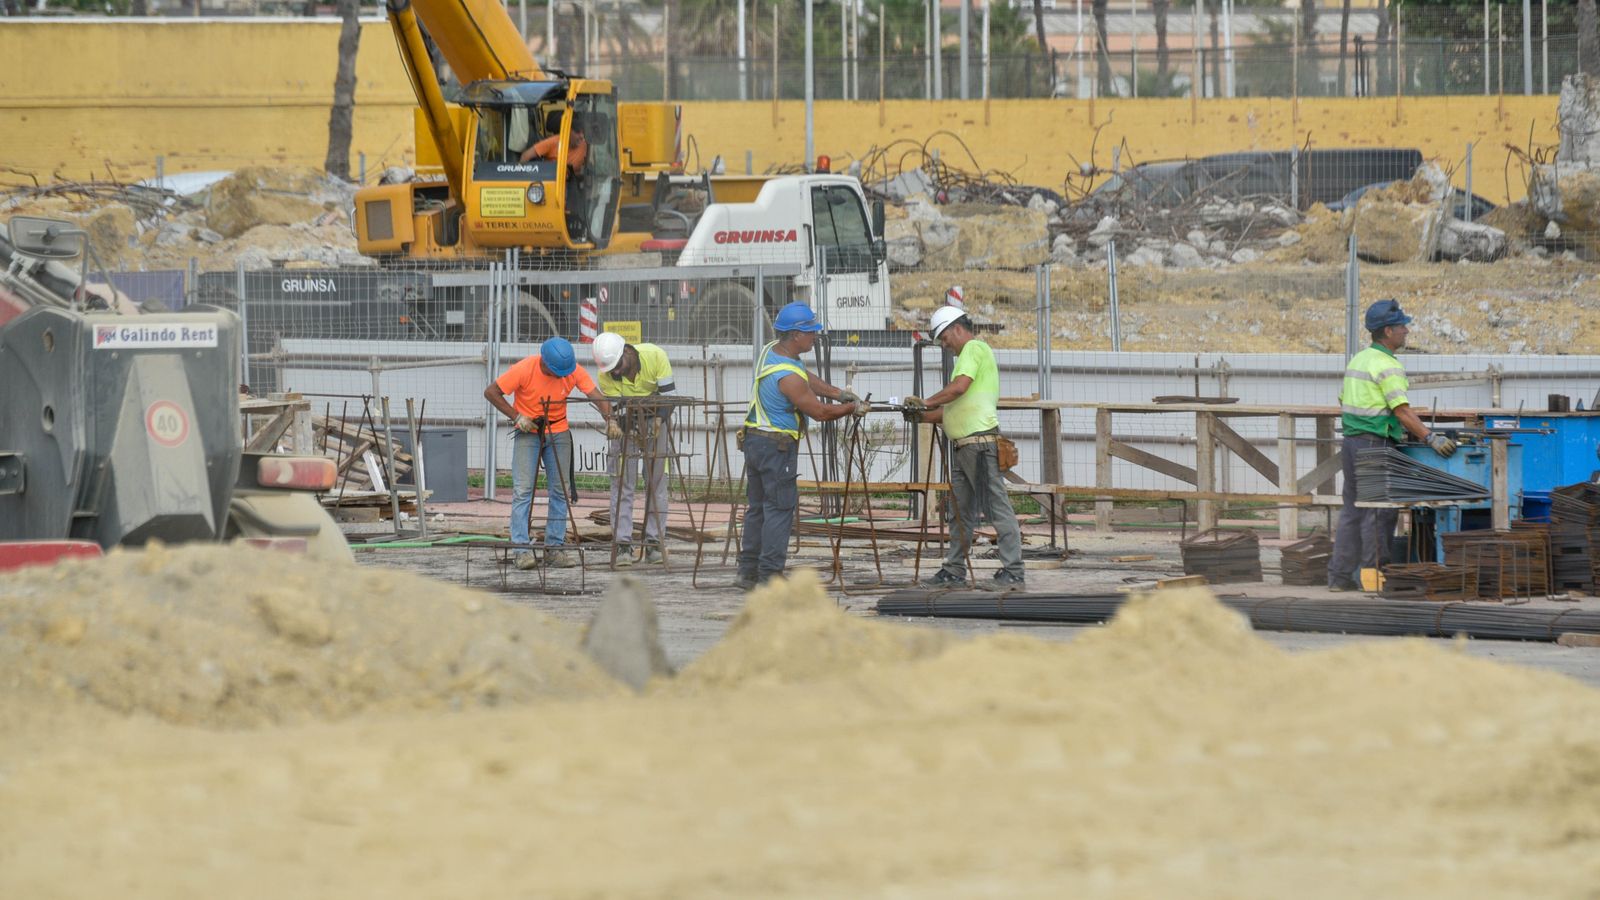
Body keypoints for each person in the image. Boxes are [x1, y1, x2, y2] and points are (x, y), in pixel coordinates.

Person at [1327, 299, 1458, 591]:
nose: (1406, 331)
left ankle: (1338, 577)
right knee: (1379, 510)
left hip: (1352, 443)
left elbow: (1343, 401)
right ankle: (1374, 579)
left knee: (1353, 510)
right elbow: (1401, 410)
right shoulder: (1388, 365)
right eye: (1401, 326)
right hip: (1375, 444)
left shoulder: (1358, 360)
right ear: (1387, 331)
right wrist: (1430, 437)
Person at [736, 302, 867, 590]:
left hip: (756, 441)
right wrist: (851, 409)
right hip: (776, 448)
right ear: (796, 334)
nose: (814, 337)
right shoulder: (789, 378)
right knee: (779, 508)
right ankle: (769, 575)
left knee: (757, 507)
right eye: (811, 333)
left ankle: (747, 571)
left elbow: (806, 377)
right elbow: (819, 413)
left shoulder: (772, 352)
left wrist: (838, 393)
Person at [904, 305, 1026, 591]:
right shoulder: (966, 358)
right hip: (963, 447)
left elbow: (958, 389)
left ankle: (1014, 570)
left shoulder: (974, 348)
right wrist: (921, 415)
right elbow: (953, 410)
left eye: (944, 338)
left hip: (979, 446)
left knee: (997, 508)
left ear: (957, 328)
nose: (944, 345)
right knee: (959, 512)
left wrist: (925, 402)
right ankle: (954, 568)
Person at [484, 336, 616, 570]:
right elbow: (491, 392)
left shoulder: (571, 370)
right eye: (557, 373)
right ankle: (521, 550)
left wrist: (611, 419)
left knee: (561, 491)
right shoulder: (524, 369)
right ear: (544, 363)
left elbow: (595, 395)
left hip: (559, 431)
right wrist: (517, 417)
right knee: (523, 490)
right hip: (529, 431)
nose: (561, 377)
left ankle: (554, 548)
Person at [592, 332, 676, 567]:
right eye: (611, 370)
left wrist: (658, 421)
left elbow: (670, 398)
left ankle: (653, 543)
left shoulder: (656, 356)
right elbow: (615, 409)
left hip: (657, 420)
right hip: (626, 423)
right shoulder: (606, 373)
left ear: (627, 351)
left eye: (618, 366)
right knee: (622, 484)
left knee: (656, 483)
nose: (615, 372)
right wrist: (614, 424)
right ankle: (622, 546)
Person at [520, 112, 588, 170]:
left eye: (583, 133)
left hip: (574, 182)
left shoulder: (585, 146)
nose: (581, 136)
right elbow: (525, 156)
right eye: (577, 132)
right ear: (568, 131)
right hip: (553, 181)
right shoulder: (553, 142)